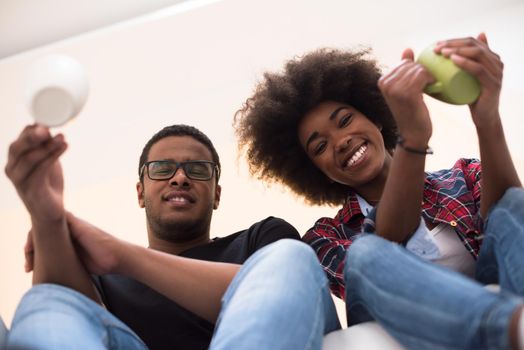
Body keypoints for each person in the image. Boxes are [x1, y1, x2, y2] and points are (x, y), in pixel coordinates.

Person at [234, 33, 524, 349]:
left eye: (345, 121)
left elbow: (510, 220)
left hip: (499, 285)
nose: (341, 141)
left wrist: (486, 118)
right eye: (320, 146)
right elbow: (387, 242)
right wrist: (413, 140)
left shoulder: (463, 177)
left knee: (512, 203)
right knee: (366, 251)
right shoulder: (325, 237)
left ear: (377, 118)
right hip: (407, 325)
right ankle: (508, 329)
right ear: (317, 172)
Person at [2, 123, 341, 349]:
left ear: (217, 194)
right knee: (44, 301)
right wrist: (46, 214)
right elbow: (58, 308)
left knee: (290, 257)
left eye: (197, 170)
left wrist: (123, 256)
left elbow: (284, 287)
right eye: (162, 169)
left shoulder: (259, 239)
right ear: (140, 193)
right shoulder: (105, 278)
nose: (179, 178)